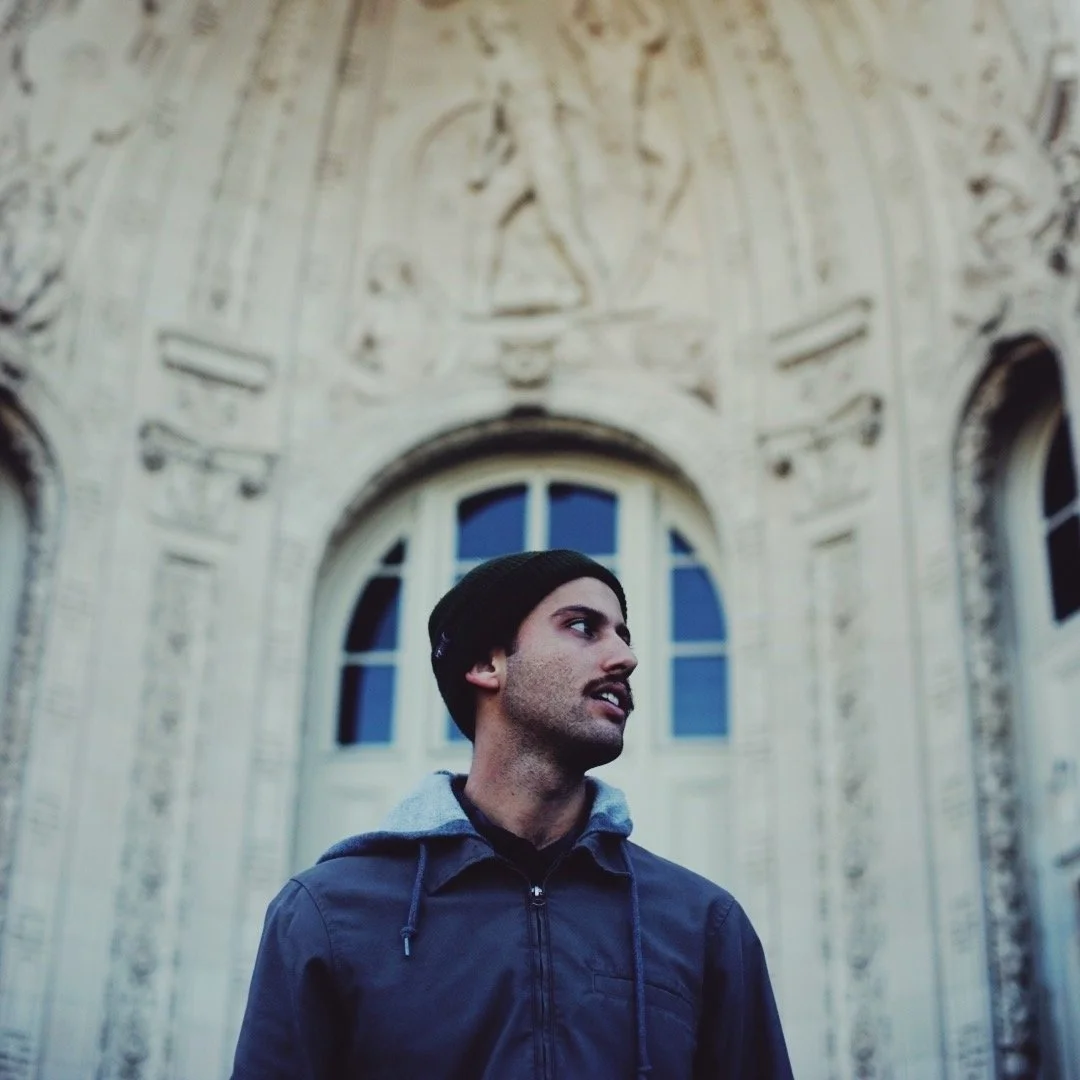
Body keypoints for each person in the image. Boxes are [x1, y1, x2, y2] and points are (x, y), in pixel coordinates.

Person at [231, 549, 795, 1078]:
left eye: (623, 635)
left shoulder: (703, 924)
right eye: (583, 627)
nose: (626, 658)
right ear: (486, 663)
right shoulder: (328, 914)